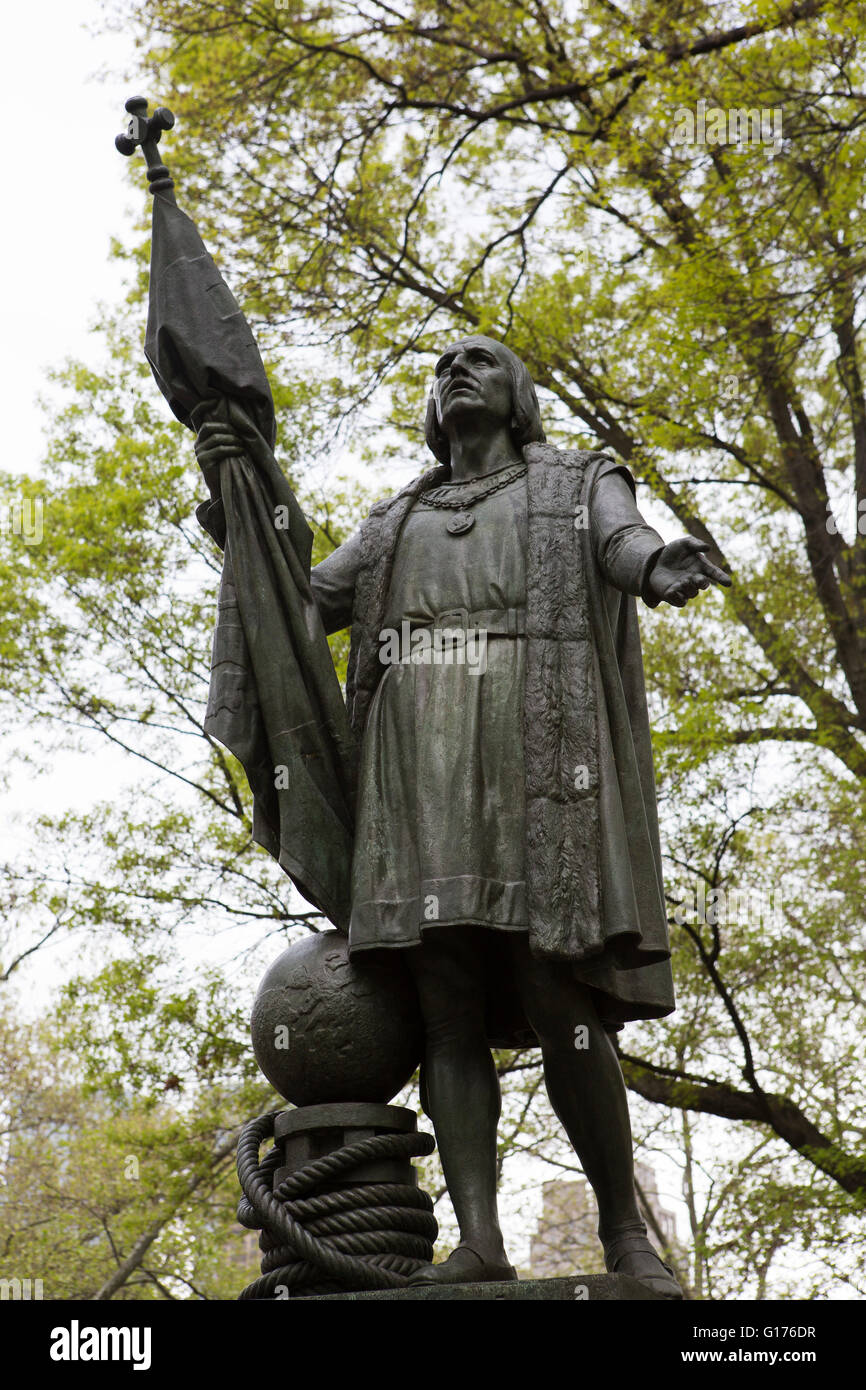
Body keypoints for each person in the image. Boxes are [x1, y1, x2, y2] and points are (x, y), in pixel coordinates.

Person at [196, 335, 730, 1296]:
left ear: (518, 394)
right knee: (444, 1005)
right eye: (442, 368)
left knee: (560, 991)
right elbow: (303, 602)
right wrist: (239, 514)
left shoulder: (573, 480)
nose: (455, 372)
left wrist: (658, 566)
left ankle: (625, 1237)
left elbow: (620, 541)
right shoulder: (399, 517)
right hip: (412, 773)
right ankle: (478, 1240)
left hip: (531, 750)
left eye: (478, 361)